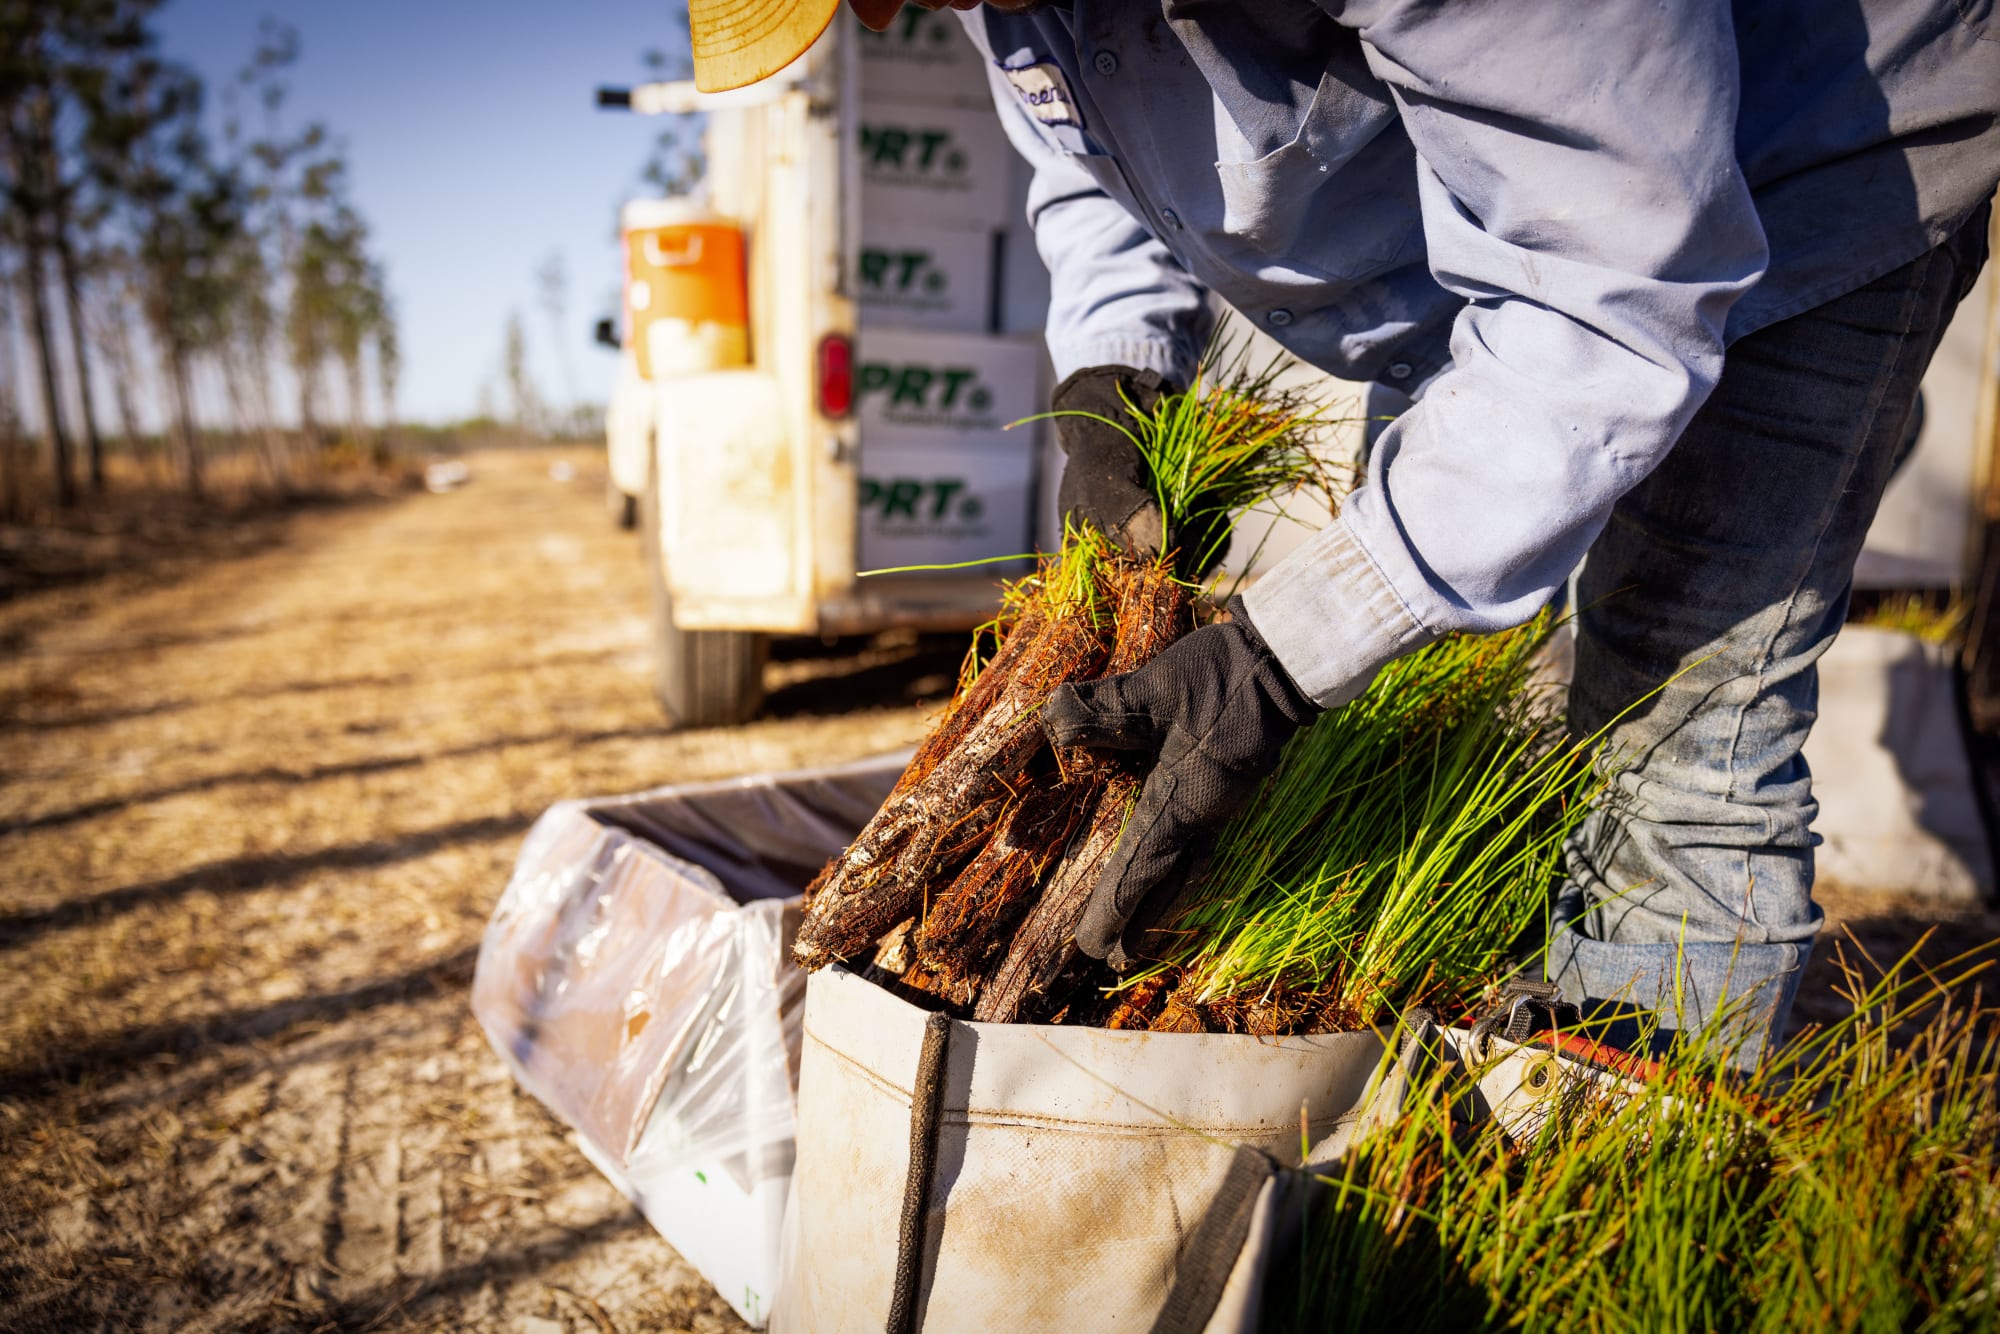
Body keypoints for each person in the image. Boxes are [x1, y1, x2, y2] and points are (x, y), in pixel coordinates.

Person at [689, 0, 2000, 1065]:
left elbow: (1617, 276)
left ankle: (1648, 1170)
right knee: (1423, 686)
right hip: (1498, 236)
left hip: (1812, 163)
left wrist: (1278, 655)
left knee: (1674, 722)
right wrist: (1112, 368)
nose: (870, 14)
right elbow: (1076, 140)